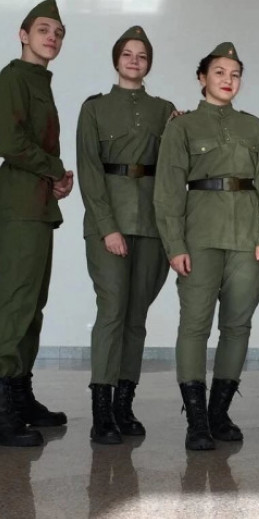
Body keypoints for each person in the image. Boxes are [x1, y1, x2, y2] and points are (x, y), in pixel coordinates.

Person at [154, 42, 259, 451]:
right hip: (200, 236)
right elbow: (168, 191)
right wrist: (174, 244)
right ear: (202, 78)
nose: (228, 80)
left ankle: (219, 413)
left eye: (235, 74)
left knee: (237, 326)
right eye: (219, 72)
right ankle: (196, 421)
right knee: (194, 325)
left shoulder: (255, 128)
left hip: (246, 239)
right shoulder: (182, 127)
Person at [0, 0, 75, 447]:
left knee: (33, 303)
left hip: (36, 202)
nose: (51, 37)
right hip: (19, 201)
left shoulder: (39, 81)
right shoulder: (12, 79)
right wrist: (54, 170)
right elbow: (9, 141)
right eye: (43, 29)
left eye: (58, 32)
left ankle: (19, 396)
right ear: (23, 35)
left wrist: (54, 180)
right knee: (15, 300)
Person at [76, 26, 175, 444]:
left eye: (142, 55)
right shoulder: (95, 109)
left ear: (149, 63)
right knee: (112, 310)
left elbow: (174, 170)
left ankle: (123, 404)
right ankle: (101, 410)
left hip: (151, 225)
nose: (134, 61)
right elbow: (89, 171)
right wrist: (108, 227)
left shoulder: (164, 110)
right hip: (109, 223)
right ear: (116, 59)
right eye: (128, 54)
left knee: (137, 317)